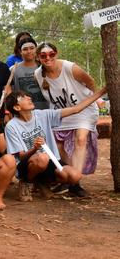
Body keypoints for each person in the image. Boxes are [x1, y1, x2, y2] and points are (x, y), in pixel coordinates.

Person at [4, 87, 106, 201]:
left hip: (51, 159)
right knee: (42, 158)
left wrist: (104, 91)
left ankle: (42, 182)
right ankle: (26, 182)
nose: (29, 98)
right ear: (17, 107)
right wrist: (35, 148)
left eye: (27, 96)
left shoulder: (43, 115)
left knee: (75, 176)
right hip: (27, 164)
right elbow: (21, 156)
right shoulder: (11, 126)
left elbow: (76, 109)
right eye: (23, 97)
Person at [34, 42, 101, 197]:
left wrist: (95, 98)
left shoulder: (69, 67)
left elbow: (90, 81)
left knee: (81, 139)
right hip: (63, 112)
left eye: (51, 54)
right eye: (43, 56)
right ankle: (69, 177)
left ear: (56, 53)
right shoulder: (38, 74)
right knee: (57, 144)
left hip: (84, 108)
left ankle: (75, 183)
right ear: (39, 58)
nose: (48, 58)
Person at [10, 37, 48, 110]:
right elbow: (10, 94)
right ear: (20, 51)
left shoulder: (45, 67)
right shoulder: (13, 69)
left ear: (36, 49)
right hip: (24, 113)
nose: (29, 51)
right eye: (25, 49)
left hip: (46, 111)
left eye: (32, 48)